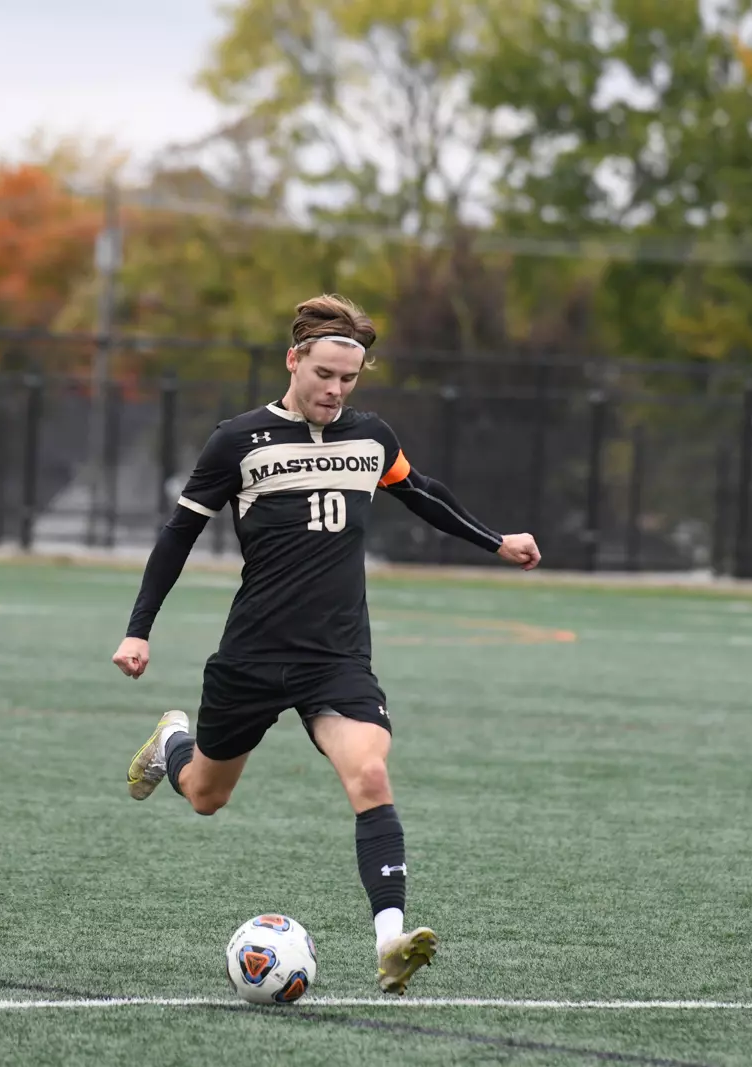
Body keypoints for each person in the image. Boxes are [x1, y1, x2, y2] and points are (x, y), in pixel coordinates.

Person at [111, 294, 541, 994]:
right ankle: (172, 743)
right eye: (324, 375)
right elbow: (178, 534)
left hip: (335, 657)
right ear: (294, 360)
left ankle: (390, 939)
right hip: (252, 655)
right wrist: (139, 628)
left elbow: (422, 492)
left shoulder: (371, 438)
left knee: (370, 775)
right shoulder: (238, 441)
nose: (336, 390)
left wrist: (496, 541)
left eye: (349, 378)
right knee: (206, 797)